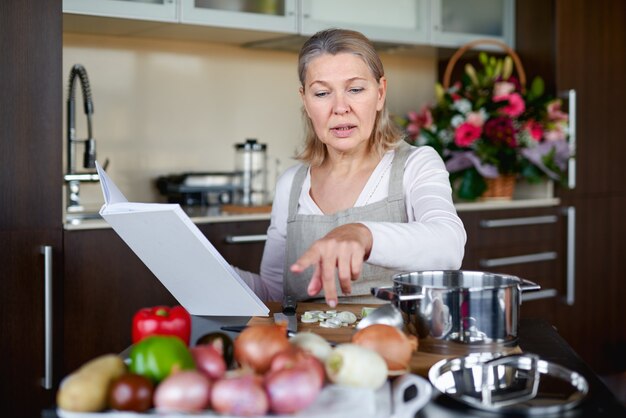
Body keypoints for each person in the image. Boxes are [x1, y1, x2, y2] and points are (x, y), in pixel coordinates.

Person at [236, 28, 466, 307]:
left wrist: (363, 234)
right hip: (312, 349)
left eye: (355, 90)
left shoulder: (416, 165)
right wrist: (206, 269)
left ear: (380, 93)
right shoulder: (292, 184)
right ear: (305, 101)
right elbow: (274, 294)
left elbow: (449, 245)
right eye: (322, 93)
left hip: (399, 344)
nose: (340, 107)